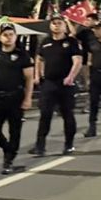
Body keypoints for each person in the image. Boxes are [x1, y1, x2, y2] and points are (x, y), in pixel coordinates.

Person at [0, 24, 34, 174]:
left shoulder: (23, 55)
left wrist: (28, 98)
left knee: (14, 130)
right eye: (5, 35)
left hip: (16, 97)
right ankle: (8, 149)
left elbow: (29, 78)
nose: (8, 37)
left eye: (11, 34)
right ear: (0, 37)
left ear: (15, 36)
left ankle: (8, 160)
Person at [30, 16, 84, 156]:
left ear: (64, 26)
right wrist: (37, 75)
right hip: (49, 83)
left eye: (59, 23)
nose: (56, 26)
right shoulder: (45, 42)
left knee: (67, 114)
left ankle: (69, 144)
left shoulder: (71, 42)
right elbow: (39, 59)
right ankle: (40, 146)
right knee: (45, 114)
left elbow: (77, 61)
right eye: (54, 24)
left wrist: (71, 76)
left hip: (66, 83)